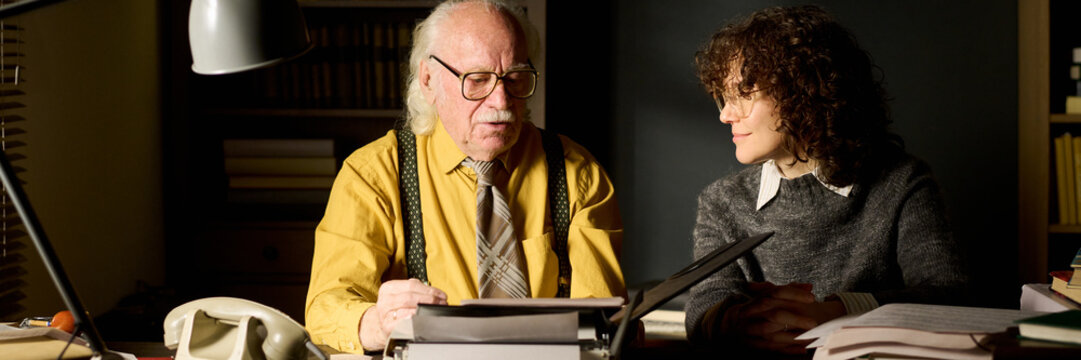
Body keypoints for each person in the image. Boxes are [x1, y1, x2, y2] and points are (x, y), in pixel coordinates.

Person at [304, 0, 626, 353]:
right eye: (477, 80)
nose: (501, 100)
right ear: (428, 80)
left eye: (515, 78)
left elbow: (602, 322)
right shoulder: (373, 177)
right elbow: (325, 308)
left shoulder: (577, 174)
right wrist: (376, 323)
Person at [684, 5, 968, 355]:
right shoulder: (721, 201)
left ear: (802, 91)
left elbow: (949, 293)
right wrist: (745, 320)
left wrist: (838, 311)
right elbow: (704, 305)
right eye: (723, 99)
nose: (726, 115)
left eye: (743, 95)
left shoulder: (901, 182)